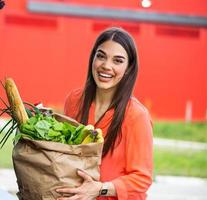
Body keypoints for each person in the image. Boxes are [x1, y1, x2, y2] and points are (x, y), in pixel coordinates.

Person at [56, 27, 153, 200]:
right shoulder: (74, 100)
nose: (106, 66)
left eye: (118, 61)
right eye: (101, 56)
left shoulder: (136, 115)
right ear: (92, 58)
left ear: (129, 68)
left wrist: (100, 188)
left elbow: (142, 178)